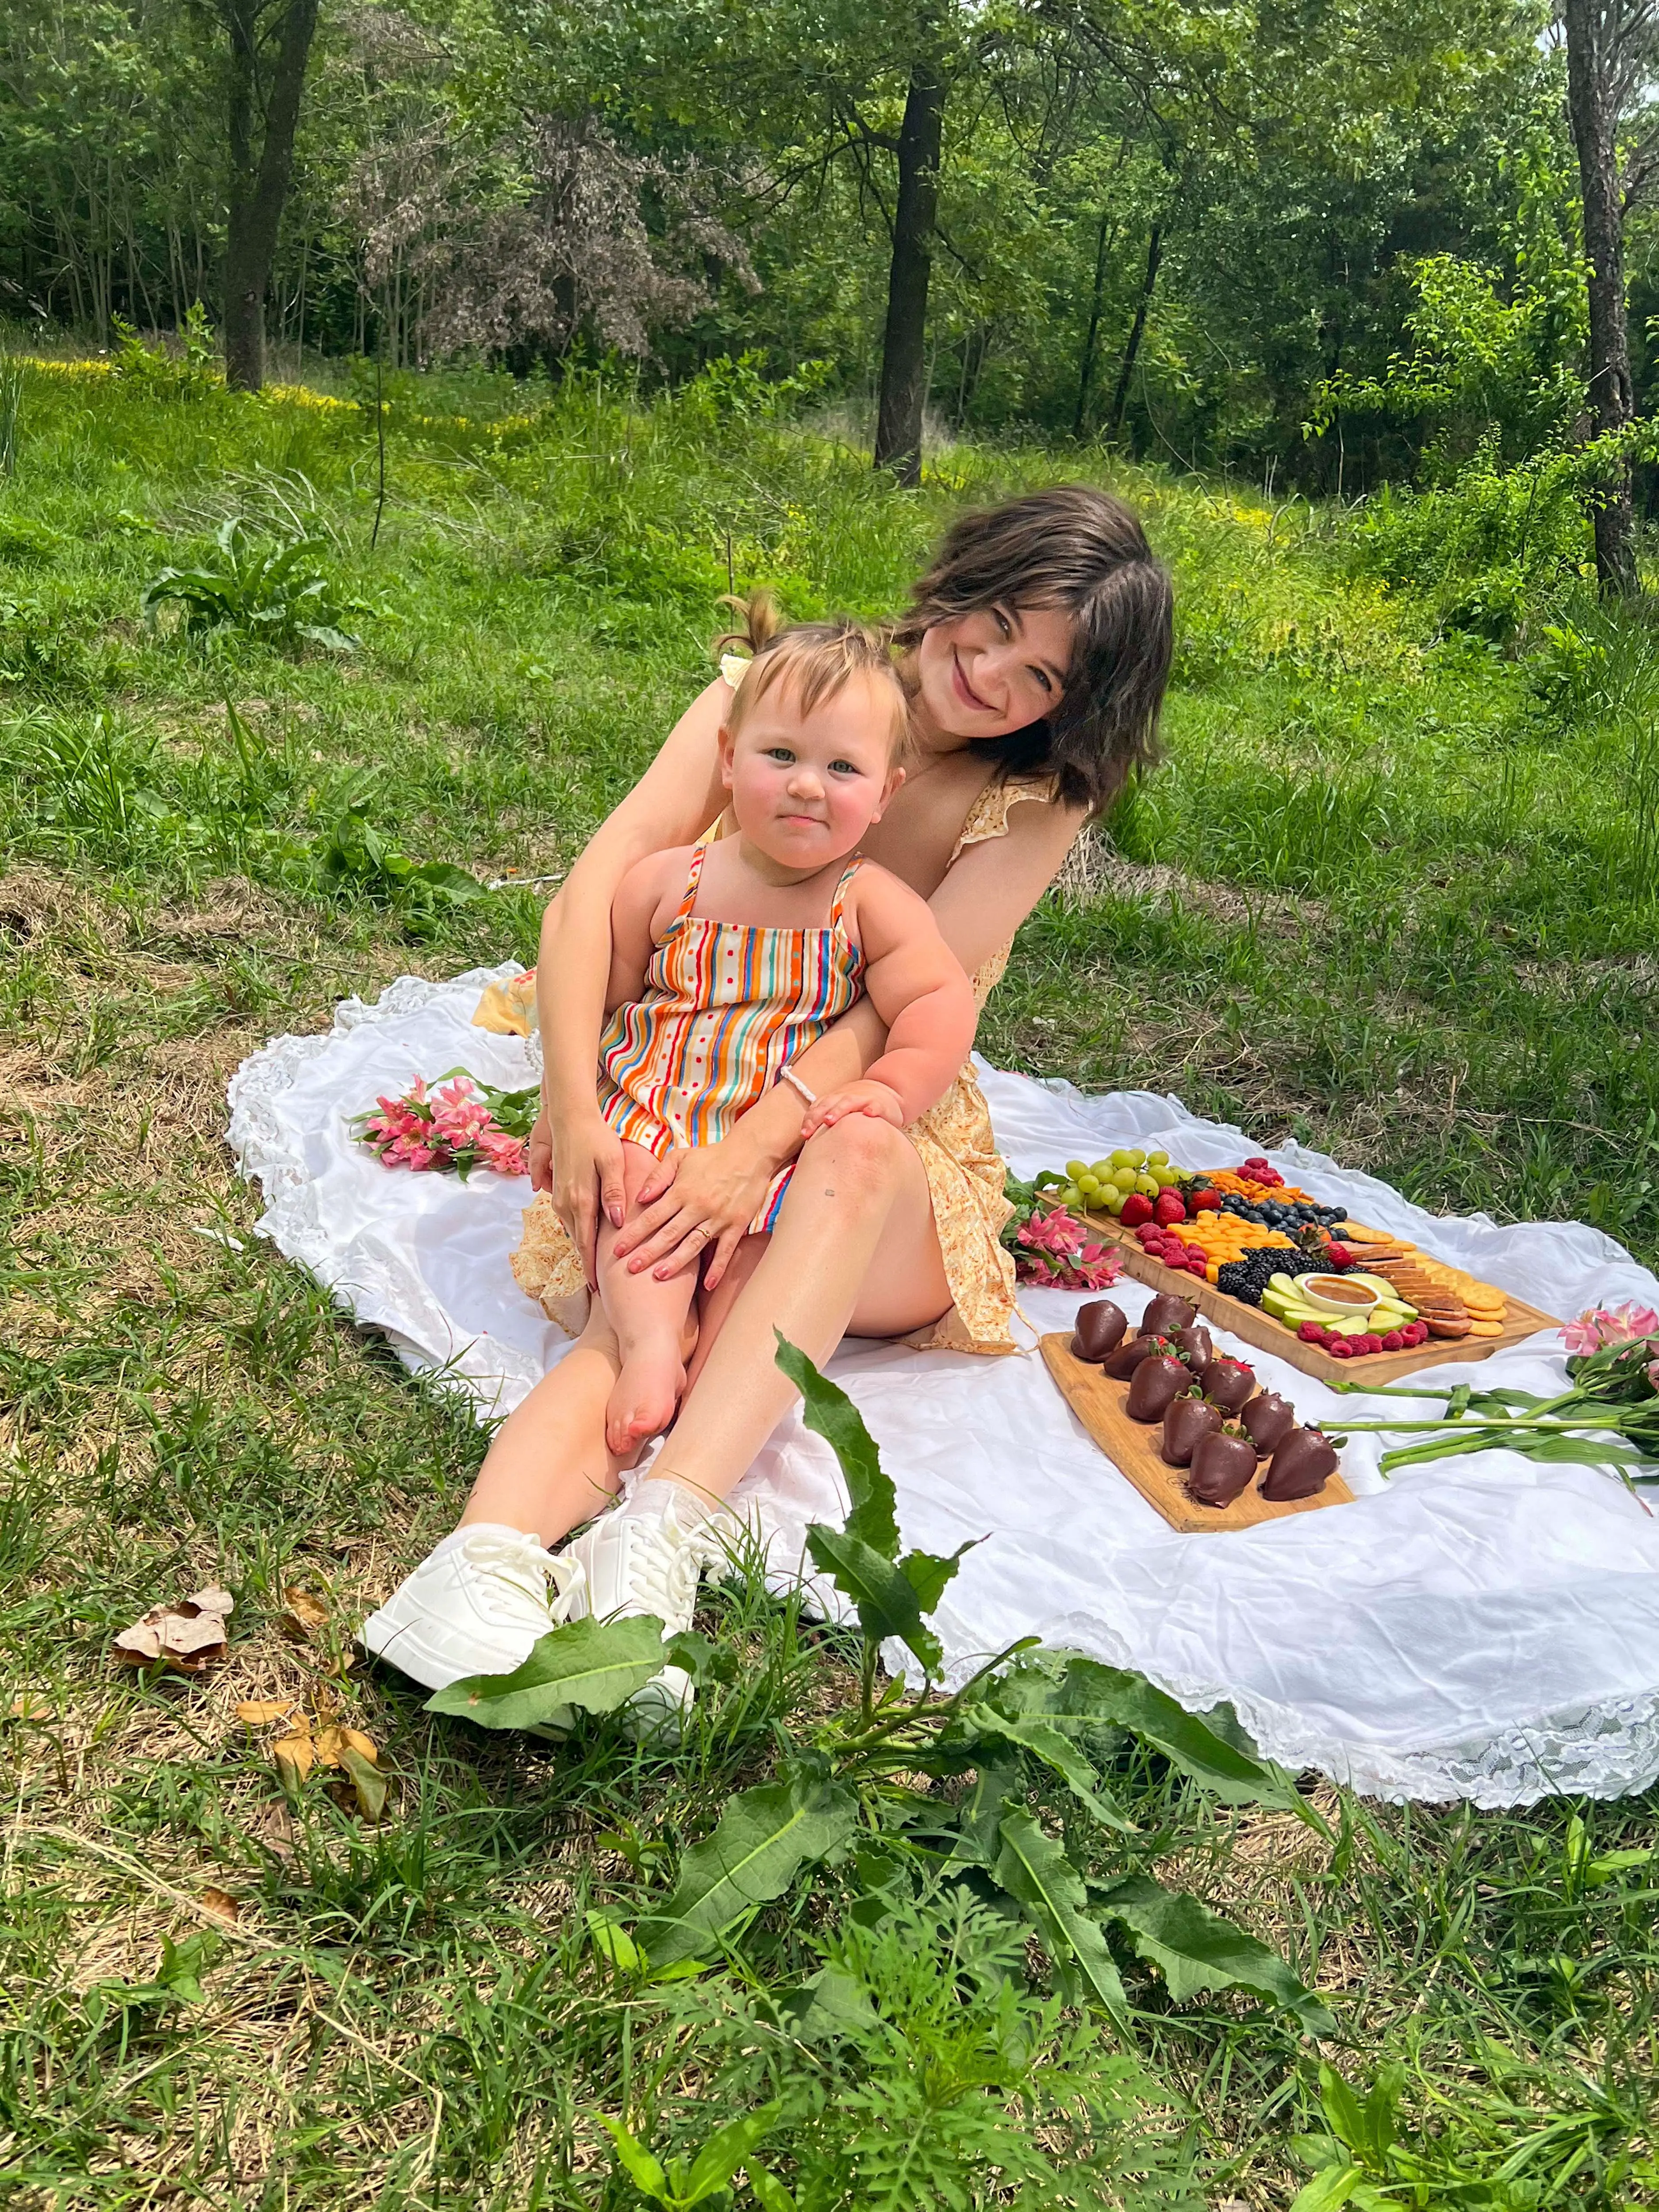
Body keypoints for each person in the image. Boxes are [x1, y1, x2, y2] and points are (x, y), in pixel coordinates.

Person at [363, 483, 1174, 1718]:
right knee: (647, 1314)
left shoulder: (1032, 800)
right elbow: (592, 899)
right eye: (998, 622)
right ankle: (476, 1569)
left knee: (844, 1156)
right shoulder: (775, 696)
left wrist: (754, 1150)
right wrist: (577, 1111)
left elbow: (907, 1010)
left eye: (1043, 677)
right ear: (964, 578)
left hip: (865, 1150)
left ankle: (661, 1538)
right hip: (678, 1102)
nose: (994, 673)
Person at [588, 611, 975, 1463]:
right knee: (632, 1216)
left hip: (774, 1140)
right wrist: (576, 1099)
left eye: (842, 768)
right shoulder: (668, 883)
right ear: (728, 760)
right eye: (782, 757)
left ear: (884, 796)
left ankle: (723, 1365)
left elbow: (939, 1001)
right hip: (660, 1113)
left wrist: (893, 1086)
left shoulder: (867, 902)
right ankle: (653, 1342)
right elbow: (609, 993)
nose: (808, 785)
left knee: (760, 1256)